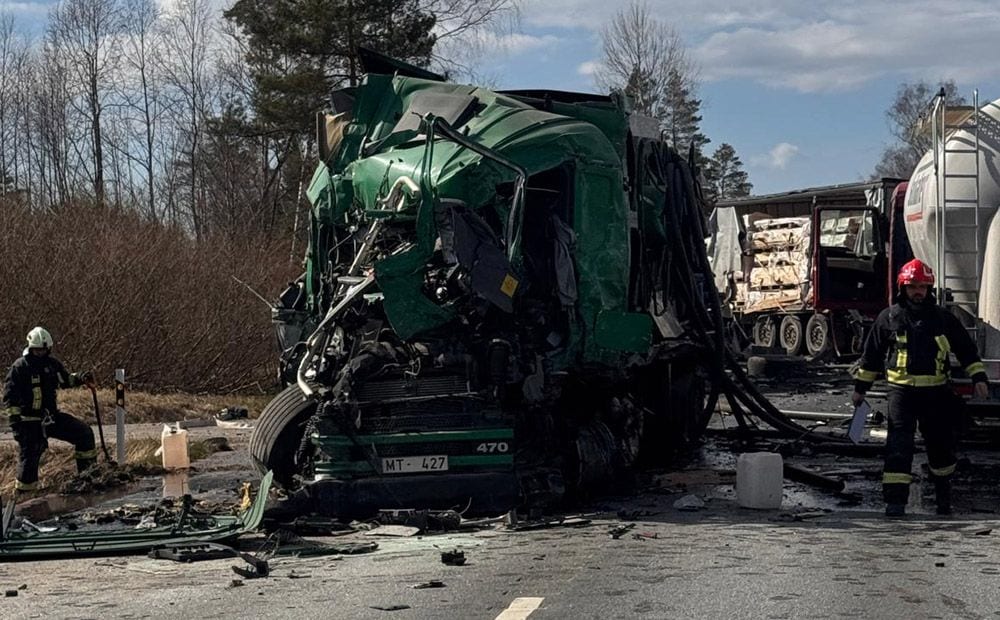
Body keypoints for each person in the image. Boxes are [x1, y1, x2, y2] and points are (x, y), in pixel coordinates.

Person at [852, 259, 989, 518]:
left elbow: (966, 350)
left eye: (923, 287)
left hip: (936, 394)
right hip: (901, 394)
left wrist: (978, 377)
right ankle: (895, 504)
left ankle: (943, 499)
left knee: (940, 447)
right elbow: (871, 356)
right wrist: (860, 389)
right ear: (903, 287)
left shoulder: (942, 319)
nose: (918, 292)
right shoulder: (889, 318)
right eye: (913, 286)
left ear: (930, 290)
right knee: (898, 447)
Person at [2, 327, 98, 492]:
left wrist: (80, 378)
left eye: (44, 350)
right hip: (29, 422)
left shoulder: (51, 365)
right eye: (38, 350)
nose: (41, 353)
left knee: (84, 434)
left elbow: (65, 380)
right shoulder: (19, 368)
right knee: (31, 454)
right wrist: (17, 426)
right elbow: (10, 399)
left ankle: (88, 479)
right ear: (31, 348)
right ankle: (24, 497)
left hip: (51, 417)